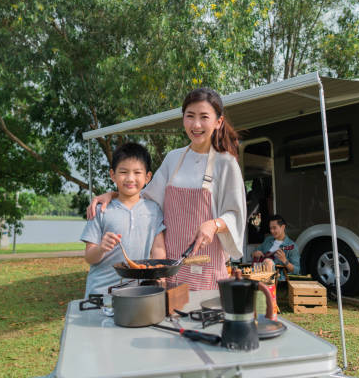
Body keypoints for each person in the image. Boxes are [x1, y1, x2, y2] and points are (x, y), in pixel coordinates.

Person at [88, 88, 246, 290]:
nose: (196, 124)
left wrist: (214, 224)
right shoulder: (174, 158)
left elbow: (236, 213)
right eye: (190, 116)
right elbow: (145, 198)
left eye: (204, 117)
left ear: (218, 122)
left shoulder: (226, 163)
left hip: (205, 266)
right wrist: (113, 194)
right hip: (169, 268)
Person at [81, 142, 166, 297]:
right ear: (112, 175)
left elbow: (158, 249)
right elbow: (89, 257)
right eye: (123, 172)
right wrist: (101, 248)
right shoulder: (100, 210)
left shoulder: (154, 210)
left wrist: (160, 276)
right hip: (100, 294)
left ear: (148, 177)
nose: (130, 178)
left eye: (137, 172)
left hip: (137, 293)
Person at [252, 215, 300, 280]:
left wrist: (285, 260)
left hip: (277, 278)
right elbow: (253, 253)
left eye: (274, 228)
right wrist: (255, 253)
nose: (271, 231)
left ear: (283, 227)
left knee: (268, 262)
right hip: (259, 271)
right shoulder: (268, 240)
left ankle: (268, 285)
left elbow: (297, 270)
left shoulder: (292, 246)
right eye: (270, 228)